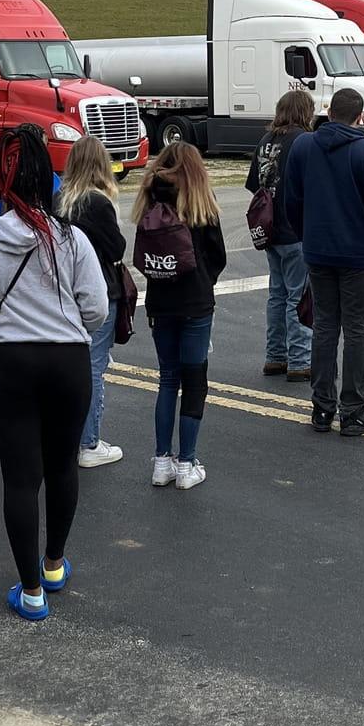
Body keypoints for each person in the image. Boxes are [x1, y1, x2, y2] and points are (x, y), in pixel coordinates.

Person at [0, 125, 108, 619]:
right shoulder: (72, 239)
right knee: (62, 465)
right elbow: (97, 310)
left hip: (10, 364)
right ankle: (55, 562)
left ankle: (31, 591)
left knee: (20, 478)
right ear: (48, 177)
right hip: (68, 361)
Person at [283, 87, 364, 437]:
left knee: (325, 326)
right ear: (360, 117)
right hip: (358, 253)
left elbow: (291, 197)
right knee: (357, 329)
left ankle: (322, 406)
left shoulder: (304, 146)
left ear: (329, 112)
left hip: (318, 249)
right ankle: (353, 408)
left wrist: (307, 234)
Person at [133, 142, 227, 489]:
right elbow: (218, 256)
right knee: (194, 382)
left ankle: (162, 460)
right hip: (195, 302)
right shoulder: (200, 202)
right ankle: (187, 463)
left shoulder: (150, 198)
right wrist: (205, 280)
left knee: (167, 380)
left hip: (161, 300)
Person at [56, 135, 126, 469]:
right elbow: (116, 248)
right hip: (98, 289)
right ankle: (89, 442)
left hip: (64, 291)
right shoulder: (97, 202)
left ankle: (68, 438)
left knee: (70, 366)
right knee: (95, 366)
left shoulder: (60, 200)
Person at [245, 89, 313, 383]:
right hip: (296, 228)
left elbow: (253, 184)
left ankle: (275, 357)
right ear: (304, 112)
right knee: (298, 296)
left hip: (270, 227)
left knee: (277, 294)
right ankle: (300, 360)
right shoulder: (304, 141)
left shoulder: (265, 141)